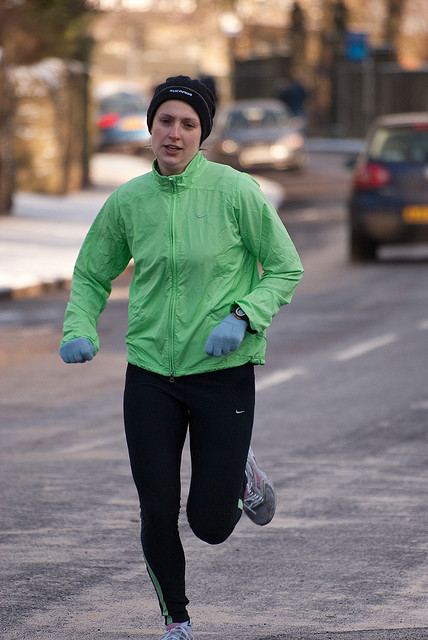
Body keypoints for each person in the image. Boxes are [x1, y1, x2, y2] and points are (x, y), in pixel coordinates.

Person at [59, 75, 303, 640]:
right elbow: (92, 273)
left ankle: (238, 473)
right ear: (151, 127)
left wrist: (243, 315)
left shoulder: (236, 192)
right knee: (156, 507)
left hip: (222, 374)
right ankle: (177, 621)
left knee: (209, 525)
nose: (175, 133)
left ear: (203, 134)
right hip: (150, 376)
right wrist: (79, 326)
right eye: (165, 121)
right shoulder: (129, 201)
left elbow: (285, 267)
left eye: (188, 124)